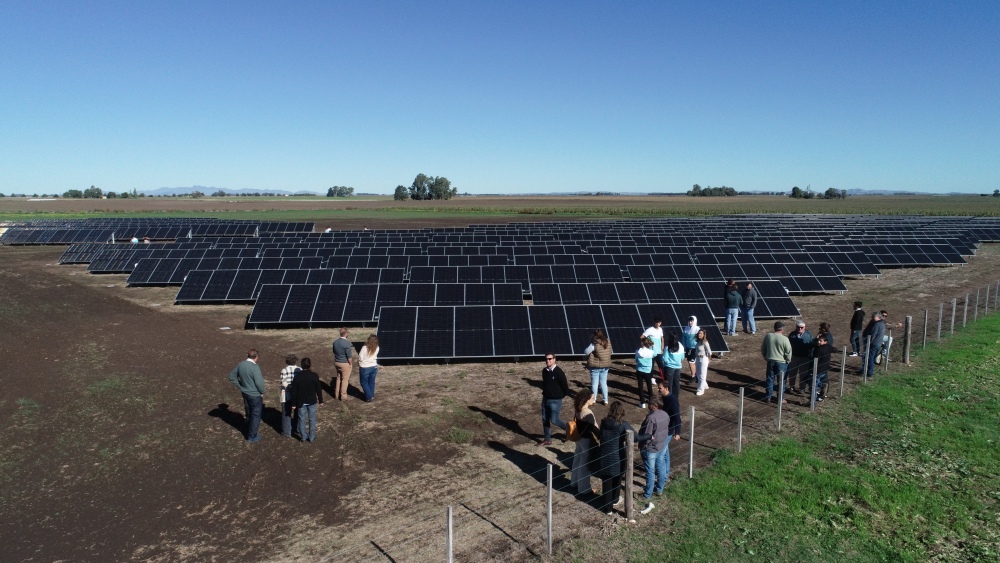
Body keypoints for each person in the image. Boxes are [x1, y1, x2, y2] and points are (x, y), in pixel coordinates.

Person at [594, 401, 635, 516]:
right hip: (617, 457)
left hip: (604, 456)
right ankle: (615, 499)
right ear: (621, 412)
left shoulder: (604, 422)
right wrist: (648, 436)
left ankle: (608, 508)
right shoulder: (622, 425)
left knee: (606, 482)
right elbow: (634, 436)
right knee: (617, 480)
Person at [227, 349, 265, 443]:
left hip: (245, 393)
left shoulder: (241, 364)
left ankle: (248, 427)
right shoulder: (255, 367)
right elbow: (259, 382)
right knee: (256, 415)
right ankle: (252, 436)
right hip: (255, 394)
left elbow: (232, 376)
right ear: (256, 357)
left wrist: (240, 385)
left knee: (248, 411)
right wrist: (262, 391)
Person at [570, 390, 599, 495]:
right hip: (586, 440)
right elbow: (595, 429)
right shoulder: (588, 413)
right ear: (586, 400)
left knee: (576, 461)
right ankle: (584, 488)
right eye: (592, 398)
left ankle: (574, 482)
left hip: (578, 439)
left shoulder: (578, 410)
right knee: (584, 465)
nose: (593, 400)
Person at [537, 353, 571, 446]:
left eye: (550, 359)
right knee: (545, 419)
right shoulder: (545, 371)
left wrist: (559, 396)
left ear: (554, 359)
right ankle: (547, 439)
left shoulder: (559, 372)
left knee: (554, 420)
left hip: (555, 400)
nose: (548, 361)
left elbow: (565, 387)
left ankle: (569, 430)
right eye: (546, 359)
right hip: (545, 399)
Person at [288, 357, 323, 442]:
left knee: (302, 419)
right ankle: (312, 437)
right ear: (310, 365)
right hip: (312, 401)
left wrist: (293, 404)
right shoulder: (314, 376)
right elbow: (318, 389)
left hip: (301, 402)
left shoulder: (297, 377)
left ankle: (303, 436)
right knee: (312, 419)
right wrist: (321, 400)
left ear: (301, 365)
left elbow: (294, 392)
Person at [761, 321, 792, 403]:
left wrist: (766, 357)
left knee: (770, 379)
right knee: (781, 381)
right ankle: (780, 398)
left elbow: (763, 348)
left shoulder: (768, 336)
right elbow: (788, 351)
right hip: (781, 362)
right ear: (782, 329)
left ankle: (768, 396)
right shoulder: (785, 339)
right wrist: (788, 361)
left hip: (770, 361)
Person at [583, 329, 613, 404]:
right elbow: (610, 351)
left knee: (594, 384)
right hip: (606, 365)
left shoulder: (594, 343)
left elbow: (586, 352)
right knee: (603, 383)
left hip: (595, 366)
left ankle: (593, 399)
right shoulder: (608, 342)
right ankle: (605, 400)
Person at [786, 320, 814, 394]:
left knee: (803, 374)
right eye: (798, 327)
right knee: (792, 373)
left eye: (802, 327)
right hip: (794, 357)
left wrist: (810, 356)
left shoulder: (809, 335)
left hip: (805, 358)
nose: (800, 329)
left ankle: (802, 388)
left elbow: (812, 346)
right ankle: (791, 386)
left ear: (804, 327)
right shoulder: (792, 335)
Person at [278, 354, 301, 438]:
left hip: (286, 395)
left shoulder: (284, 370)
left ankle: (286, 432)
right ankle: (297, 429)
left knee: (286, 413)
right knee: (298, 413)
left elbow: (283, 382)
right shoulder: (299, 370)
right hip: (297, 395)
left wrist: (289, 387)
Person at [332, 328, 354, 400]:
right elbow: (349, 356)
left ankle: (336, 394)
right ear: (346, 334)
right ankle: (343, 396)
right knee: (345, 380)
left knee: (338, 378)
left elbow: (334, 352)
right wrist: (350, 364)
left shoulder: (335, 342)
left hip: (337, 362)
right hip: (345, 364)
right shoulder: (347, 343)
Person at [861, 311, 885, 377]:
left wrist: (869, 342)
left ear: (877, 317)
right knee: (871, 357)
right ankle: (866, 369)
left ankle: (870, 372)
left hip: (873, 343)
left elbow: (873, 334)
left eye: (873, 317)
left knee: (870, 357)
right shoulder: (882, 323)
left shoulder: (877, 324)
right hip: (877, 343)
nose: (872, 318)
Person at [635, 336, 656, 408]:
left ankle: (642, 402)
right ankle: (651, 401)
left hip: (640, 370)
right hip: (648, 371)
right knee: (649, 386)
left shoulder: (638, 351)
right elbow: (655, 354)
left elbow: (636, 361)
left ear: (642, 343)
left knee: (640, 387)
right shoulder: (651, 352)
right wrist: (653, 347)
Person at [662, 332, 685, 398]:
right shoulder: (681, 346)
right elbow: (682, 357)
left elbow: (665, 359)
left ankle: (669, 397)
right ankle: (676, 397)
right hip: (678, 367)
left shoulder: (667, 348)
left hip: (669, 367)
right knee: (676, 383)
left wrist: (662, 357)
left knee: (669, 383)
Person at [358, 334, 380, 402]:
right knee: (371, 382)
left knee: (363, 382)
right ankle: (371, 395)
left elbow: (360, 357)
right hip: (374, 367)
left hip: (365, 367)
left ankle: (369, 396)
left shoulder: (365, 348)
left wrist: (358, 363)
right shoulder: (377, 347)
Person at [810, 335, 833, 402]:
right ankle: (823, 391)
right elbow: (835, 349)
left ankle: (820, 390)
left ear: (825, 342)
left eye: (820, 341)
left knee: (814, 382)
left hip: (818, 369)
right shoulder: (828, 347)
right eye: (818, 340)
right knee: (823, 380)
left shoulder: (819, 349)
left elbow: (815, 359)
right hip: (825, 368)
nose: (818, 342)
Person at [693, 329, 711, 396]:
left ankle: (700, 390)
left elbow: (709, 352)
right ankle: (705, 385)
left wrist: (708, 360)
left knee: (702, 375)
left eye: (700, 333)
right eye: (698, 333)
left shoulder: (705, 342)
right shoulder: (698, 342)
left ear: (703, 335)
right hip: (697, 358)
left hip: (703, 359)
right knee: (698, 374)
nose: (699, 334)